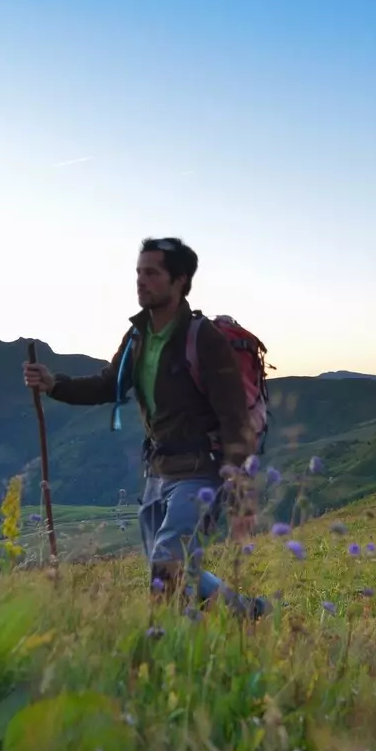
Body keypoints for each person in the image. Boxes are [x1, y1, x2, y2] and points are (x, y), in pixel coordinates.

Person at [22, 237, 267, 619]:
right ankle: (248, 613)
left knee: (167, 563)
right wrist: (55, 385)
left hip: (200, 471)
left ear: (179, 281)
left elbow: (233, 415)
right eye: (139, 272)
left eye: (152, 273)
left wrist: (237, 481)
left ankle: (163, 642)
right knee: (168, 563)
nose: (141, 281)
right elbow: (110, 384)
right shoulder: (138, 337)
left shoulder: (203, 338)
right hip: (158, 469)